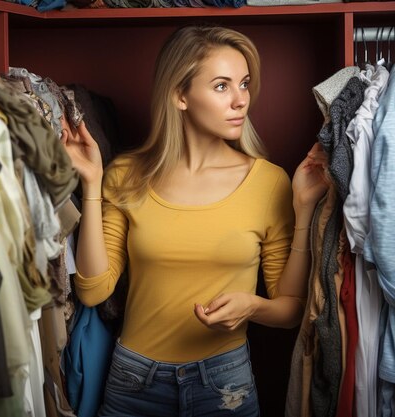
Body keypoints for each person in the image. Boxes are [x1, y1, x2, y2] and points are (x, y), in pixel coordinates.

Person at [62, 24, 329, 417]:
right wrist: (92, 183)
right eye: (222, 86)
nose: (241, 100)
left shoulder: (269, 182)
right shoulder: (126, 175)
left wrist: (252, 305)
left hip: (225, 384)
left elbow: (290, 308)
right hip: (134, 380)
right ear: (179, 95)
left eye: (245, 83)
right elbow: (93, 290)